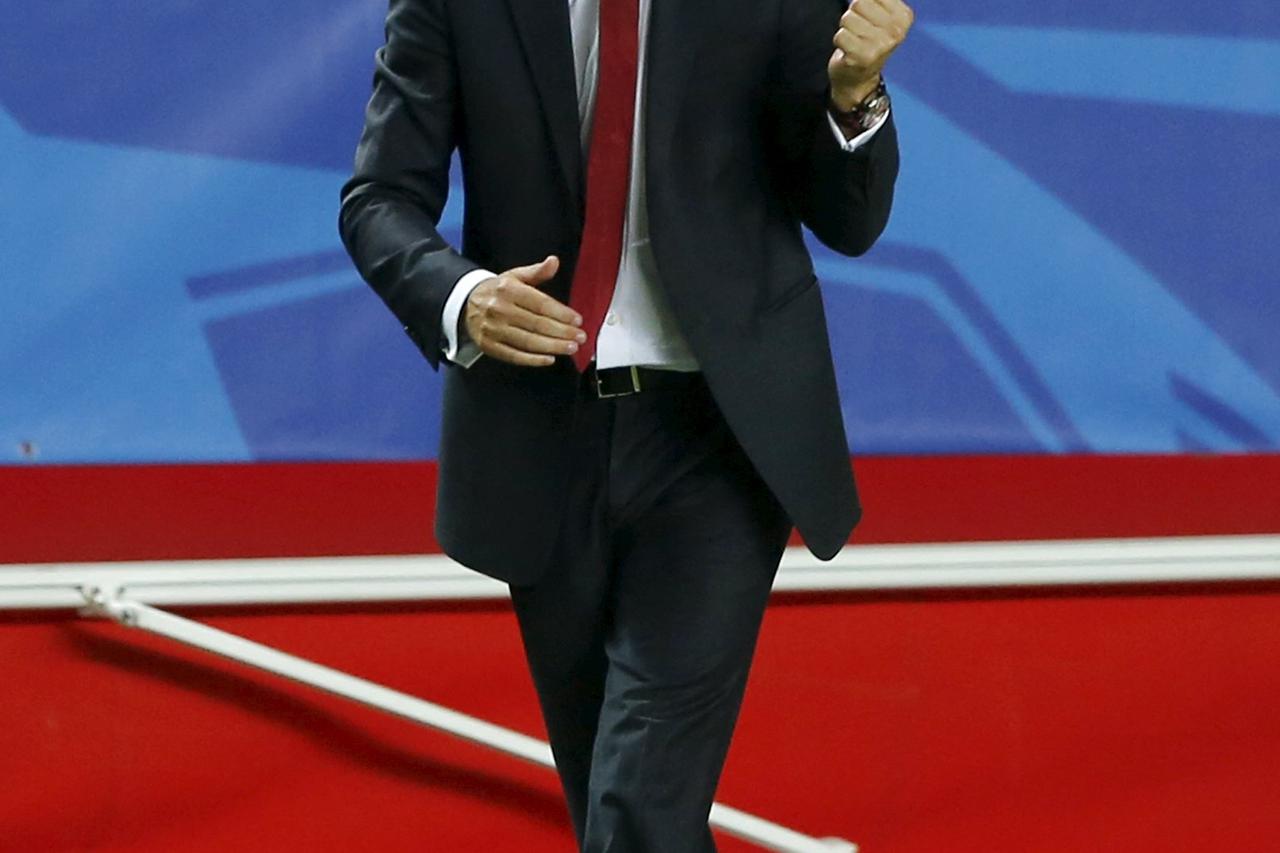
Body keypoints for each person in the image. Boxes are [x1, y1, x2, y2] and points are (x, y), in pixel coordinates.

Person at [340, 0, 910, 848]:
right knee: (622, 808)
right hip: (540, 436)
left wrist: (856, 97)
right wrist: (463, 296)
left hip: (717, 440)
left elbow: (849, 219)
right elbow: (380, 196)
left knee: (638, 803)